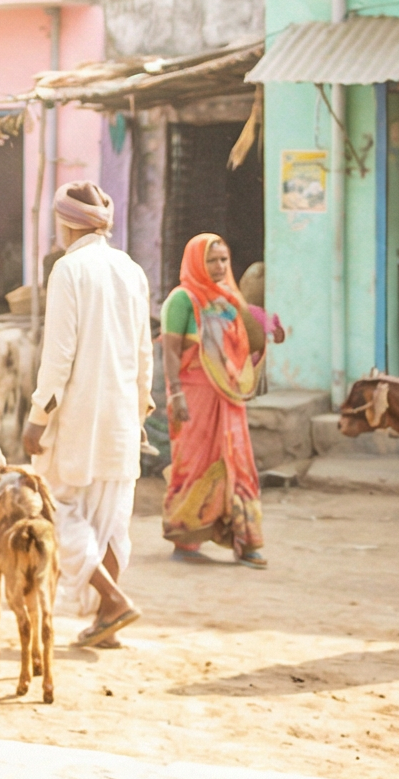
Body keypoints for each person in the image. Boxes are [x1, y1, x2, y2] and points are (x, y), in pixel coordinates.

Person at [22, 182, 152, 649]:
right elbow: (143, 351)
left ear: (64, 223)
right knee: (112, 520)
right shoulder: (131, 269)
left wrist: (38, 416)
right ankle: (105, 623)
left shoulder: (68, 270)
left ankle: (112, 601)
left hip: (78, 419)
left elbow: (58, 356)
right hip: (120, 417)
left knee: (56, 511)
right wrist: (141, 409)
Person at [160, 233, 269, 568]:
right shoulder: (182, 300)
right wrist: (175, 392)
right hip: (193, 396)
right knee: (193, 463)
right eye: (212, 260)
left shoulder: (229, 300)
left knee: (239, 462)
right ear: (196, 261)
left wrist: (250, 315)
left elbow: (247, 345)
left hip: (229, 398)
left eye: (224, 259)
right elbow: (170, 350)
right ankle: (186, 536)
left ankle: (246, 540)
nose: (220, 266)